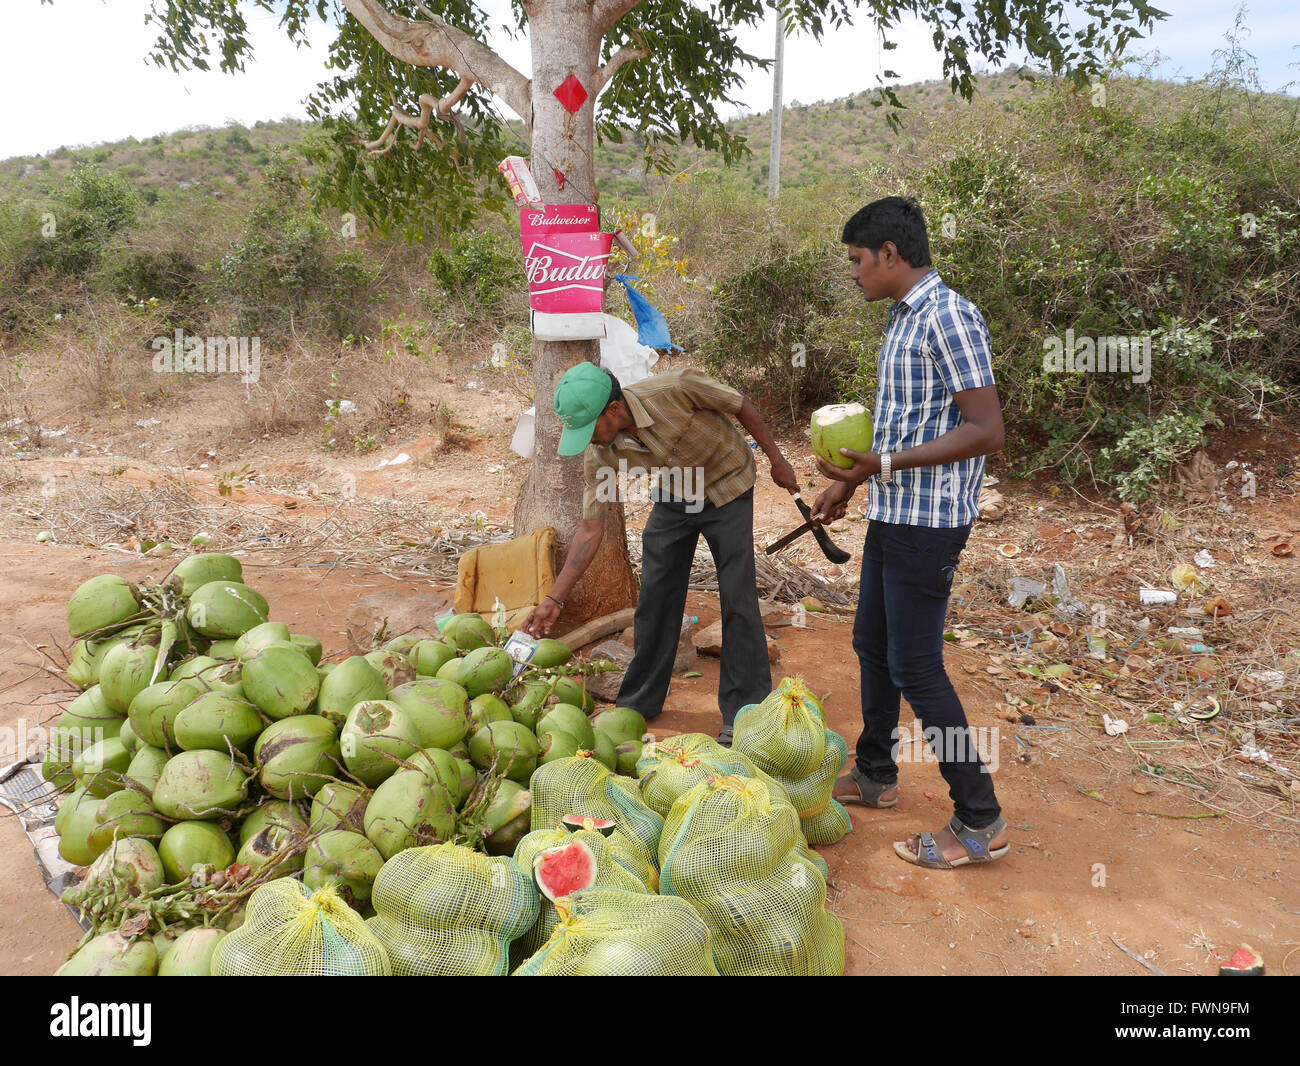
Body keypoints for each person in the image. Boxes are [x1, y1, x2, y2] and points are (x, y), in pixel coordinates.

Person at [812, 196, 1010, 868]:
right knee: (872, 643)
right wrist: (849, 481)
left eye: (857, 261)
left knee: (917, 667)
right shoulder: (902, 319)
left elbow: (985, 428)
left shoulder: (949, 315)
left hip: (930, 525)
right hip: (895, 513)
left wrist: (885, 464)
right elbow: (905, 422)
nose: (853, 273)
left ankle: (980, 817)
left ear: (891, 255)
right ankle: (876, 774)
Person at [522, 362, 796, 745]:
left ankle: (745, 712)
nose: (587, 440)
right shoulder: (599, 452)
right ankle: (639, 701)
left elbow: (739, 404)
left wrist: (777, 459)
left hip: (728, 484)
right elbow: (591, 530)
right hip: (676, 491)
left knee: (738, 598)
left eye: (589, 429)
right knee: (655, 597)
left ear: (614, 410)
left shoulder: (676, 388)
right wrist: (555, 599)